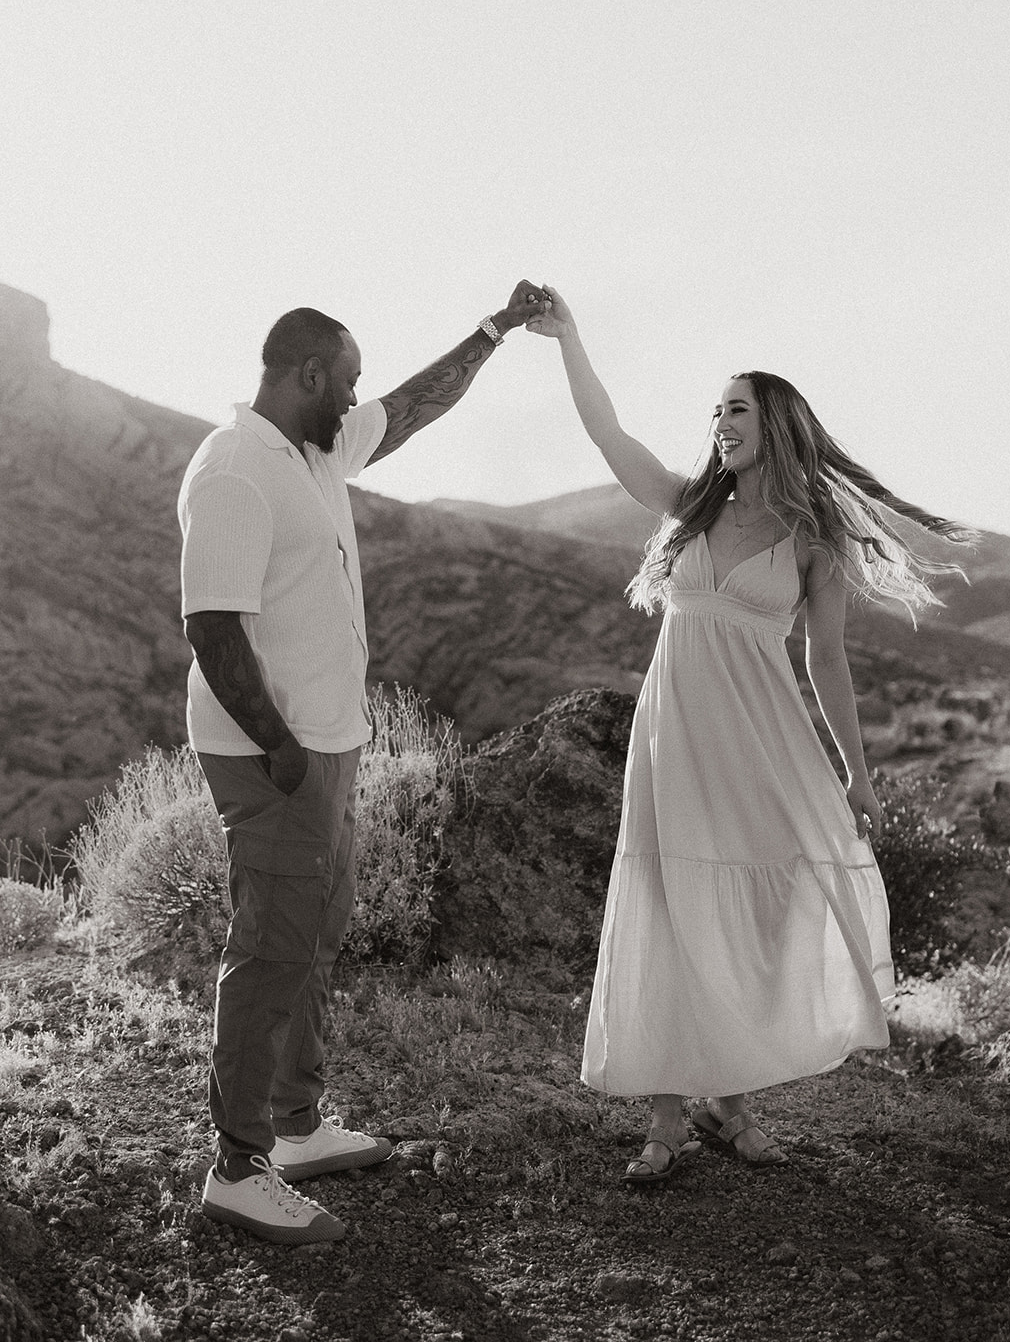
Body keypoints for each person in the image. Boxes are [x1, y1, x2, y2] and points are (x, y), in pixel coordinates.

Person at [527, 289, 969, 1182]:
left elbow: (828, 664)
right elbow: (608, 434)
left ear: (774, 423)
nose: (721, 422)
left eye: (737, 408)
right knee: (666, 900)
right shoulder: (686, 506)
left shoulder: (813, 540)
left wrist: (856, 773)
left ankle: (729, 1098)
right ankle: (666, 1121)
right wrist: (570, 340)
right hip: (674, 733)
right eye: (715, 410)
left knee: (765, 911)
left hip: (761, 741)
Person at [179, 283, 549, 1243]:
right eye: (345, 381)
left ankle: (296, 1128)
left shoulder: (315, 447)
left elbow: (416, 406)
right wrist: (283, 751)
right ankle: (237, 1167)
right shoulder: (232, 470)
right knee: (270, 949)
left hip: (329, 748)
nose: (356, 398)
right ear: (306, 374)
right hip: (275, 759)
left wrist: (492, 331)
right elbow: (213, 629)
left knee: (317, 933)